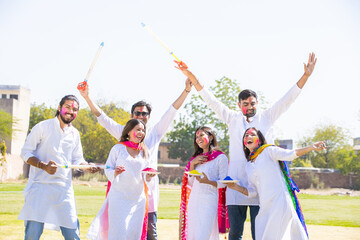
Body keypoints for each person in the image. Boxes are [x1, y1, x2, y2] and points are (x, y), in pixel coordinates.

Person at [176, 53, 317, 239]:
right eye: (245, 104)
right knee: (235, 233)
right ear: (239, 104)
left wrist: (305, 76)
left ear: (257, 103)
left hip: (260, 187)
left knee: (259, 232)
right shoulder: (232, 119)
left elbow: (287, 100)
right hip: (235, 185)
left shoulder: (267, 117)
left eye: (252, 103)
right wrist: (192, 77)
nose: (249, 106)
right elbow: (211, 100)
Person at [79, 79, 192, 240]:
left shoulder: (154, 134)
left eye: (144, 113)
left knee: (150, 235)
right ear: (132, 116)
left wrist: (186, 91)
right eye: (137, 113)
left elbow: (171, 111)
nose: (141, 116)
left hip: (148, 197)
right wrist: (87, 97)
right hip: (124, 196)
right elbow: (102, 118)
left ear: (149, 116)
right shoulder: (123, 135)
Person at [18, 95, 99, 240]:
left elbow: (78, 160)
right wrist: (43, 166)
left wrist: (87, 167)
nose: (70, 111)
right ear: (59, 107)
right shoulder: (43, 127)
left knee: (73, 234)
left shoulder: (75, 134)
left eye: (75, 109)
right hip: (39, 188)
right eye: (67, 107)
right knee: (32, 235)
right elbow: (25, 152)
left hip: (64, 190)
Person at [226, 127, 326, 239]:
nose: (248, 137)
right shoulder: (249, 165)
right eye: (246, 135)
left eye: (252, 134)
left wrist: (311, 147)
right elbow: (253, 191)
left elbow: (290, 154)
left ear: (259, 139)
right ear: (244, 143)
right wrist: (234, 186)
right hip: (265, 207)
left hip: (279, 203)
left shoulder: (269, 151)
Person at [87, 119, 156, 240]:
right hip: (119, 199)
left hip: (138, 200)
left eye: (143, 130)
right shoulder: (117, 149)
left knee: (133, 233)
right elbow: (108, 169)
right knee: (119, 232)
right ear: (129, 131)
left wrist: (149, 176)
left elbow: (145, 174)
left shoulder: (145, 152)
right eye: (138, 129)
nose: (141, 132)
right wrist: (115, 172)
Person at [179, 126, 228, 240]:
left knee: (204, 234)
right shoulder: (196, 158)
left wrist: (208, 182)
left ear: (210, 137)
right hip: (194, 201)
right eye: (196, 137)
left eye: (201, 135)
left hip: (209, 200)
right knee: (193, 233)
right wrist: (192, 165)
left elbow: (224, 182)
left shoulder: (220, 157)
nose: (198, 138)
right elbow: (190, 183)